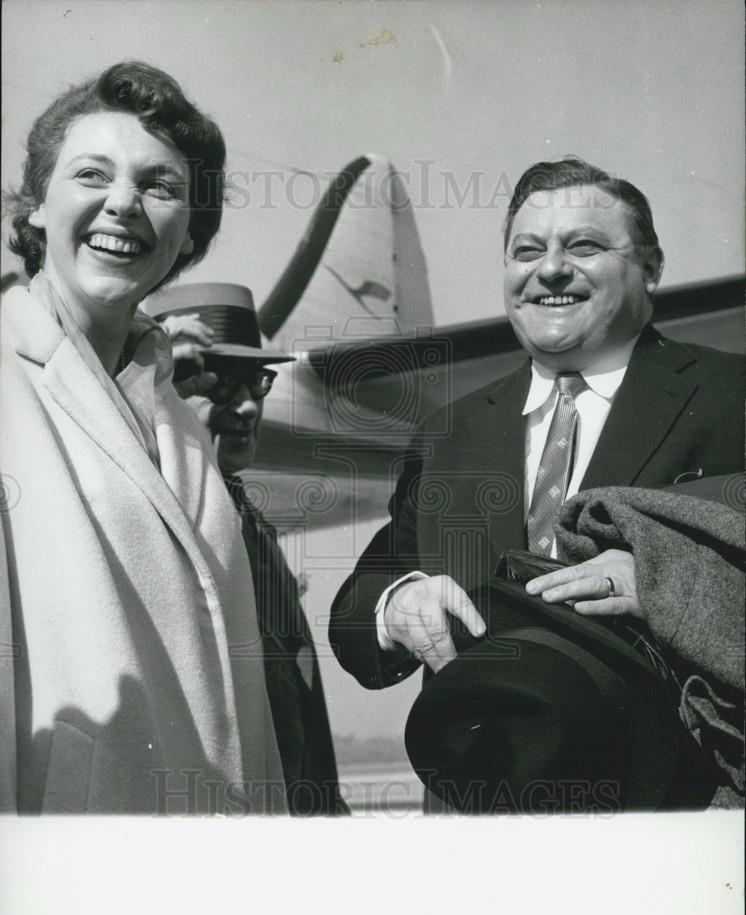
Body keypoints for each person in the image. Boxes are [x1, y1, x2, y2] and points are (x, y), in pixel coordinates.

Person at [328, 157, 744, 806]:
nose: (550, 269)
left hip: (677, 825)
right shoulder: (450, 431)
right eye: (527, 251)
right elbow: (360, 599)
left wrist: (674, 579)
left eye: (583, 245)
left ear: (652, 268)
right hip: (479, 829)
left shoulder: (731, 397)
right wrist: (396, 604)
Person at [0, 63, 285, 814]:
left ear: (189, 236)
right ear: (33, 208)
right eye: (91, 173)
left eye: (160, 186)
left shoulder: (176, 413)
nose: (122, 203)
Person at [147, 282, 350, 816]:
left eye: (256, 383)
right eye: (219, 385)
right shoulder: (152, 525)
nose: (246, 406)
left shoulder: (245, 517)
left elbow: (295, 691)